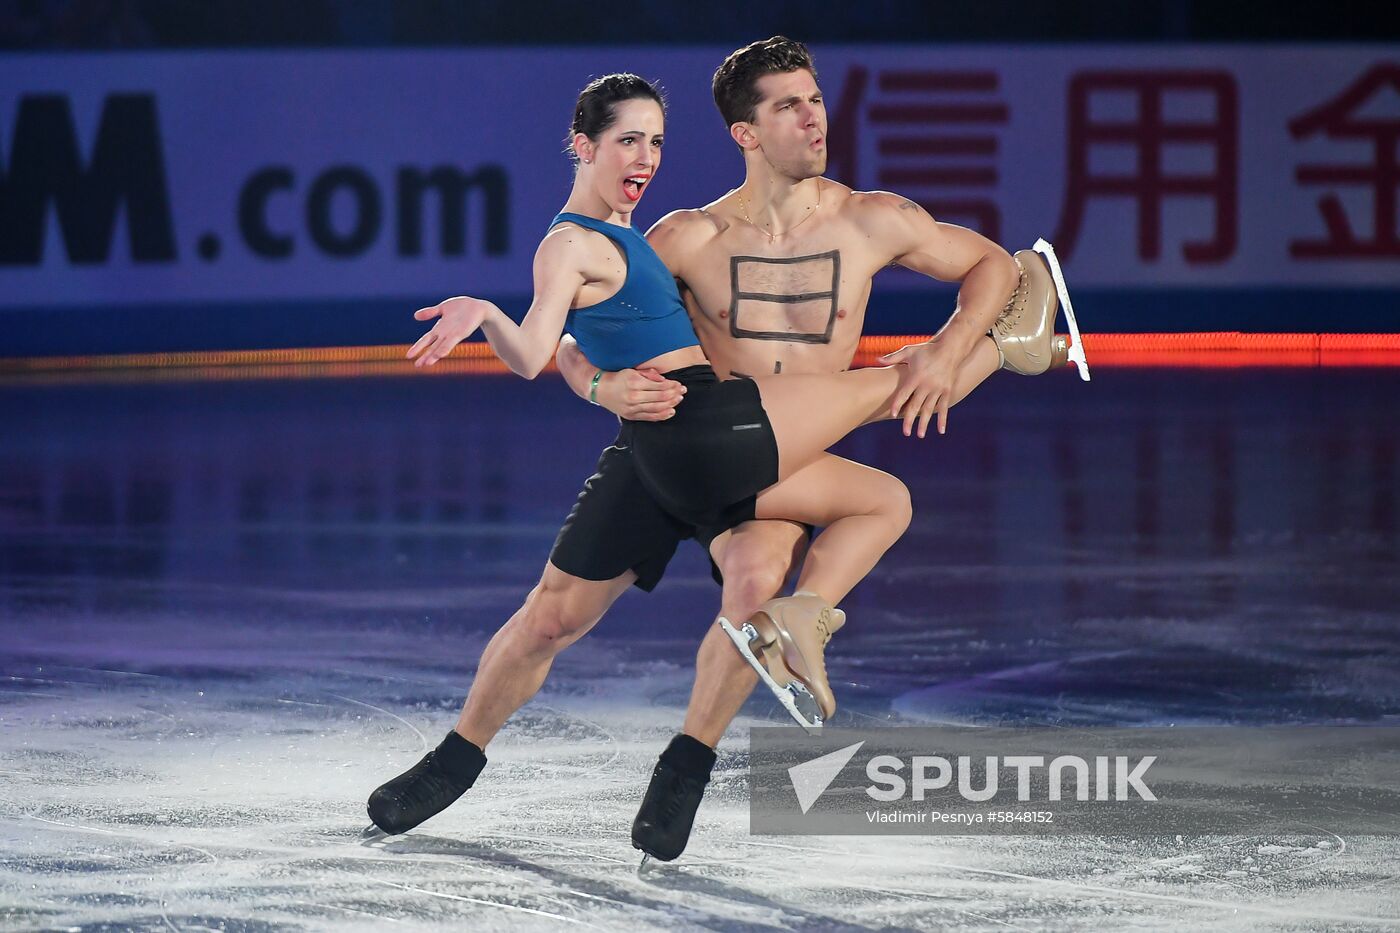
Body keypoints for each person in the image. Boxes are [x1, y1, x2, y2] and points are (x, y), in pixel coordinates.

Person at [365, 61, 1083, 860]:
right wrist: (602, 385)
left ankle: (686, 767)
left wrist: (949, 348)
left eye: (816, 100)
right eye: (790, 106)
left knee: (753, 590)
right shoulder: (683, 236)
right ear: (746, 133)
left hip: (772, 462)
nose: (814, 118)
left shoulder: (873, 219)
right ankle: (454, 759)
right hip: (674, 441)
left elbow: (997, 265)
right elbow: (578, 335)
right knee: (552, 615)